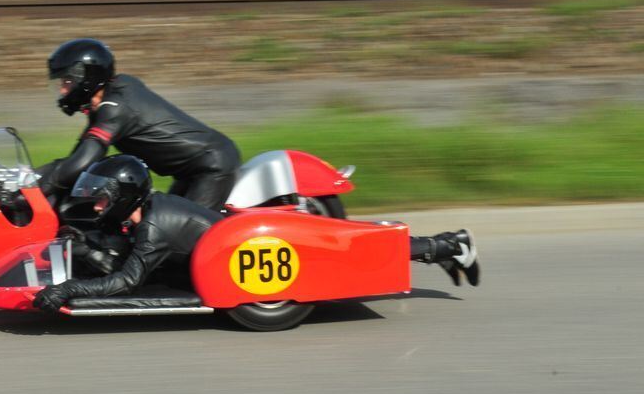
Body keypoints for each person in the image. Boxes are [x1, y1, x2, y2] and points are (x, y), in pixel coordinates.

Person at [33, 155, 480, 313]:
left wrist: (69, 287)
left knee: (346, 248)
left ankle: (448, 245)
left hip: (247, 249)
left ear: (124, 197)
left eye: (100, 199)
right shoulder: (142, 214)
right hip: (226, 245)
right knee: (343, 244)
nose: (96, 206)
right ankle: (444, 246)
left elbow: (125, 283)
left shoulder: (152, 227)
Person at [37, 38, 241, 211]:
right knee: (160, 224)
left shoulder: (115, 108)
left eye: (67, 82)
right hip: (191, 170)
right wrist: (31, 178)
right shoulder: (111, 95)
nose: (63, 91)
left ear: (87, 78)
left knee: (183, 234)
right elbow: (77, 158)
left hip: (211, 167)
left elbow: (86, 160)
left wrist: (39, 190)